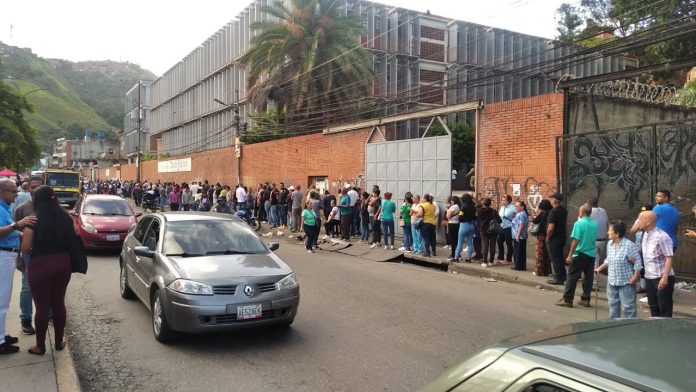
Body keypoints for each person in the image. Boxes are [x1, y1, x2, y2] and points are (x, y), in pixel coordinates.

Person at [20, 185, 76, 355]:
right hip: (63, 263)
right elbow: (73, 238)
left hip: (41, 265)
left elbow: (26, 247)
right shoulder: (66, 218)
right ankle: (59, 342)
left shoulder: (33, 220)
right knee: (58, 303)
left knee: (42, 306)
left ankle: (40, 346)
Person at [0, 179, 37, 354]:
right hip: (3, 255)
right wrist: (18, 224)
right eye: (13, 192)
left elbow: (10, 230)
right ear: (2, 192)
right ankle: (0, 343)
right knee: (2, 301)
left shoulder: (5, 207)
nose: (17, 195)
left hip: (9, 254)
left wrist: (21, 232)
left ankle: (1, 336)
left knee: (4, 300)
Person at [13, 176, 44, 335]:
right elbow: (13, 235)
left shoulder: (50, 207)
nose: (35, 190)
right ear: (28, 188)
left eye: (39, 187)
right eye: (33, 187)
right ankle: (25, 320)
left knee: (48, 286)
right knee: (27, 287)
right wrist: (18, 258)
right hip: (28, 256)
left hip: (47, 256)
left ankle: (50, 314)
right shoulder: (21, 210)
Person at [595, 221, 642, 319]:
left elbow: (638, 262)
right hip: (612, 281)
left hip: (626, 282)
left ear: (617, 234)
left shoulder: (629, 246)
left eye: (610, 230)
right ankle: (613, 326)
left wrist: (634, 278)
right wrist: (600, 268)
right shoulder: (610, 244)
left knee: (628, 308)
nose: (608, 232)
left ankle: (629, 329)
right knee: (613, 306)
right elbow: (609, 259)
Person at [556, 204, 598, 308]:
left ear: (581, 212)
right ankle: (585, 299)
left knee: (572, 277)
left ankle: (568, 299)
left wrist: (570, 255)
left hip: (580, 253)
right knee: (588, 278)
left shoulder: (579, 224)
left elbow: (575, 240)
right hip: (591, 253)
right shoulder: (595, 224)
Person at [637, 210, 675, 317]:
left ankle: (666, 331)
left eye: (640, 219)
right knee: (653, 306)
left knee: (664, 307)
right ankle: (656, 330)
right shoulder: (645, 235)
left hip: (661, 277)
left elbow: (669, 257)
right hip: (649, 276)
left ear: (648, 222)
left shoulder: (662, 236)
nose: (637, 222)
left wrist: (665, 277)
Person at [546, 192, 568, 285]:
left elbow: (551, 227)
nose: (550, 201)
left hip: (555, 237)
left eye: (551, 199)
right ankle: (563, 276)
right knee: (560, 257)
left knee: (555, 258)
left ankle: (558, 278)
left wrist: (548, 237)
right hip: (562, 236)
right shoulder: (564, 210)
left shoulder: (553, 212)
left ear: (555, 201)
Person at [477, 198, 501, 267]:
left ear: (483, 204)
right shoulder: (494, 211)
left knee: (484, 246)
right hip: (493, 230)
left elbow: (477, 220)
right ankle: (491, 261)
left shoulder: (479, 211)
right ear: (490, 204)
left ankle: (485, 262)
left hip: (483, 230)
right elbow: (500, 221)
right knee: (492, 246)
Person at [532, 199, 553, 276]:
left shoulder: (543, 213)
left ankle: (539, 271)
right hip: (549, 235)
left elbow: (535, 221)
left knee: (540, 253)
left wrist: (537, 213)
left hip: (541, 235)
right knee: (547, 253)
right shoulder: (552, 212)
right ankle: (548, 270)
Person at [588, 197, 609, 274]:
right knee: (597, 260)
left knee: (594, 263)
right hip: (602, 240)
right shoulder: (603, 210)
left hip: (593, 241)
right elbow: (607, 224)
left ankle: (594, 283)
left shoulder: (589, 211)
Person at [454, 194, 476, 262]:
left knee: (460, 242)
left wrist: (460, 219)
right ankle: (468, 258)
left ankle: (456, 257)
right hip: (472, 225)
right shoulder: (473, 206)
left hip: (464, 225)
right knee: (470, 242)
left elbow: (460, 216)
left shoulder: (463, 206)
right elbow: (475, 216)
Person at [496, 195, 515, 264]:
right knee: (499, 241)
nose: (503, 201)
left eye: (504, 200)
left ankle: (509, 259)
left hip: (509, 227)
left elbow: (518, 215)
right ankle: (500, 257)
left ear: (509, 201)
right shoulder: (502, 208)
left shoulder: (513, 208)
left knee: (508, 243)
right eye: (502, 200)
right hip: (502, 226)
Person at [511, 201, 529, 271]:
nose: (516, 208)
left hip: (519, 236)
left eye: (517, 206)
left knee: (518, 251)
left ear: (522, 207)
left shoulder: (521, 214)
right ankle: (520, 266)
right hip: (518, 235)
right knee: (519, 251)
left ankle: (518, 266)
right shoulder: (520, 213)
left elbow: (521, 225)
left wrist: (518, 235)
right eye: (515, 206)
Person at [445, 196, 461, 261]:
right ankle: (458, 254)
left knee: (452, 240)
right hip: (457, 224)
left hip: (452, 224)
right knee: (456, 239)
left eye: (451, 200)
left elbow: (448, 216)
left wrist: (447, 210)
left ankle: (453, 254)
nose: (451, 201)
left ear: (453, 201)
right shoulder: (459, 206)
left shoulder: (453, 207)